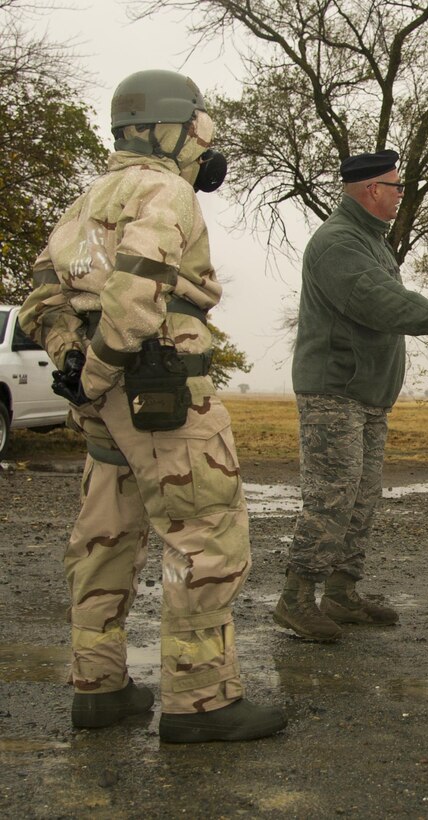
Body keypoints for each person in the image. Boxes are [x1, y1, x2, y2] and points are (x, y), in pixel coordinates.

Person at [18, 69, 286, 742]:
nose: (205, 143)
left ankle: (97, 686)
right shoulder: (166, 190)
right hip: (163, 400)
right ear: (175, 128)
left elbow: (38, 302)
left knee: (103, 540)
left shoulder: (86, 201)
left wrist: (76, 367)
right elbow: (137, 289)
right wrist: (105, 366)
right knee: (206, 538)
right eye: (200, 128)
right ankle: (202, 703)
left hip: (107, 410)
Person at [274, 149, 428, 641]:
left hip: (365, 396)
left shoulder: (369, 241)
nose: (400, 195)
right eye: (396, 187)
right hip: (335, 392)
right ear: (371, 190)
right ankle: (296, 597)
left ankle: (342, 594)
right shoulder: (337, 243)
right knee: (332, 496)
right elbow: (375, 300)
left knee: (361, 499)